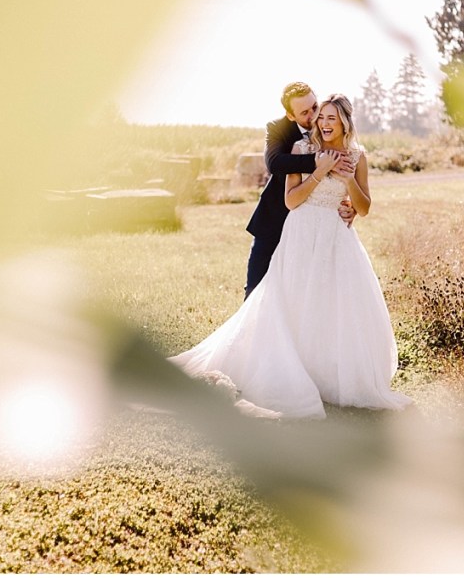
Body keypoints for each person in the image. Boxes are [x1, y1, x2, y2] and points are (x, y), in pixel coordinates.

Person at [171, 94, 412, 418]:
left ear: (344, 122)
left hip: (337, 240)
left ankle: (327, 374)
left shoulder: (358, 156)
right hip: (300, 234)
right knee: (293, 302)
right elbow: (291, 202)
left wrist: (346, 179)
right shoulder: (301, 151)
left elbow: (365, 207)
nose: (324, 123)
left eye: (331, 118)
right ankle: (292, 369)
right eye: (321, 117)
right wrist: (319, 170)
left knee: (333, 305)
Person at [244, 82, 355, 299]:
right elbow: (274, 163)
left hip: (315, 228)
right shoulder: (278, 128)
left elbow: (348, 175)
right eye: (305, 112)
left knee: (306, 292)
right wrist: (319, 162)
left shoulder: (329, 127)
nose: (314, 116)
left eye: (315, 106)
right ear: (290, 115)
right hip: (275, 219)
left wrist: (352, 207)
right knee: (256, 290)